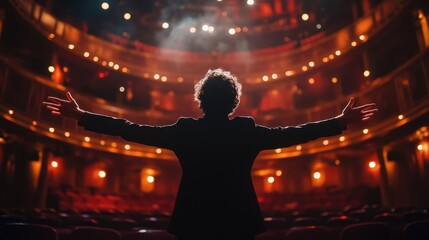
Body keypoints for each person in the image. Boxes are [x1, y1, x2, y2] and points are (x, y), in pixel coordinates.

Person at [42, 69, 378, 240]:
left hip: (193, 220)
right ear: (234, 102)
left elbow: (130, 129)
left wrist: (83, 116)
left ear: (200, 100)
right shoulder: (246, 132)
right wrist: (338, 122)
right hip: (239, 220)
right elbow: (296, 135)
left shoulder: (186, 131)